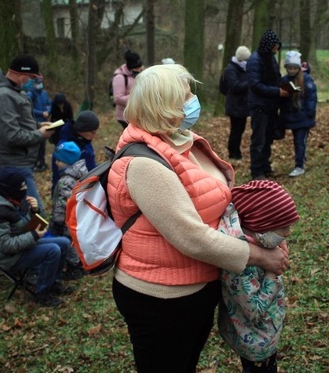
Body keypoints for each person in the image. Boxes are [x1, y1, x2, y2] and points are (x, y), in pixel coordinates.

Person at [106, 64, 290, 372]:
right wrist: (259, 256)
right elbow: (191, 236)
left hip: (197, 288)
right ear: (162, 105)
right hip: (162, 298)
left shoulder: (178, 139)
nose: (194, 100)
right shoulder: (143, 164)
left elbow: (212, 195)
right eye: (186, 95)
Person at [218, 180, 300, 373]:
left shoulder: (256, 242)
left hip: (263, 333)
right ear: (261, 227)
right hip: (256, 343)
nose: (287, 233)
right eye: (283, 228)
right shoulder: (240, 266)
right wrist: (271, 275)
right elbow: (253, 311)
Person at [0, 167, 76, 308]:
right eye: (22, 186)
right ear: (11, 188)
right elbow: (4, 245)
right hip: (7, 256)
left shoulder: (15, 200)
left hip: (22, 245)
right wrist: (33, 235)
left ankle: (53, 283)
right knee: (53, 250)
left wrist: (34, 212)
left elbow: (24, 227)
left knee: (63, 242)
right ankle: (42, 293)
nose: (26, 188)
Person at [0, 54, 54, 214]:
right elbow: (12, 135)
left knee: (27, 213)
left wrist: (39, 125)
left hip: (21, 162)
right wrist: (40, 134)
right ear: (20, 74)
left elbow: (19, 122)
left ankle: (34, 237)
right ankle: (39, 238)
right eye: (31, 78)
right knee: (36, 214)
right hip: (13, 165)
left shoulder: (14, 92)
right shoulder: (3, 96)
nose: (33, 82)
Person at [247, 30, 288, 180]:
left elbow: (276, 78)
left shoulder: (270, 59)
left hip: (271, 105)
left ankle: (265, 167)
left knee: (268, 139)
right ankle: (256, 171)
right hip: (259, 106)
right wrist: (277, 91)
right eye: (275, 47)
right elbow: (255, 85)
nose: (276, 50)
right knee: (258, 140)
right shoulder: (255, 60)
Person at [279, 51, 317, 178]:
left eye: (295, 68)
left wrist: (309, 113)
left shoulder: (306, 79)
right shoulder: (284, 80)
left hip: (303, 117)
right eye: (290, 68)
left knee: (300, 141)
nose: (292, 70)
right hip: (291, 117)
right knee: (296, 141)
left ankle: (299, 165)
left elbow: (311, 97)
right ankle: (299, 162)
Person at [51, 110, 99, 193]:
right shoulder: (65, 148)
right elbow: (58, 175)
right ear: (81, 129)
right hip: (71, 192)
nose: (95, 136)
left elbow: (90, 165)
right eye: (92, 132)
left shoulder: (84, 141)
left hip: (89, 186)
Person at [50, 141, 88, 238]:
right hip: (79, 223)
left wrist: (57, 221)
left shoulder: (66, 181)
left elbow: (63, 203)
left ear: (68, 161)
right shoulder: (83, 174)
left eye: (59, 160)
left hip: (65, 227)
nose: (56, 162)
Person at [223, 45, 251, 160]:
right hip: (235, 106)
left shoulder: (242, 69)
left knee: (240, 129)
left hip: (242, 105)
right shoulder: (231, 69)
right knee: (236, 130)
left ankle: (236, 152)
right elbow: (235, 86)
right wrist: (250, 81)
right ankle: (233, 153)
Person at [112, 50, 143, 129]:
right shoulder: (120, 78)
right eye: (137, 68)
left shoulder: (139, 74)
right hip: (124, 116)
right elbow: (118, 99)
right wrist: (136, 97)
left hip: (137, 115)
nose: (139, 70)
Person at [28, 80, 52, 172]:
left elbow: (49, 103)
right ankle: (35, 163)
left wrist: (48, 111)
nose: (39, 85)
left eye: (40, 82)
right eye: (37, 83)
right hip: (35, 122)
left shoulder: (44, 93)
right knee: (35, 144)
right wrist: (41, 113)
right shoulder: (30, 94)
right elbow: (29, 109)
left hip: (44, 122)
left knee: (43, 144)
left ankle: (42, 162)